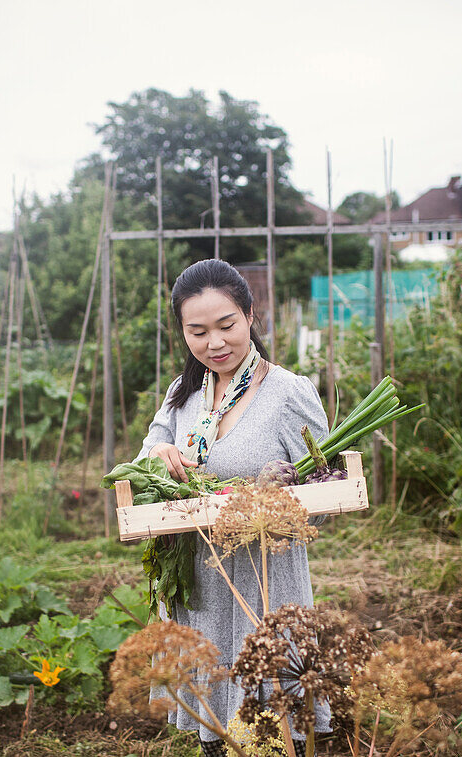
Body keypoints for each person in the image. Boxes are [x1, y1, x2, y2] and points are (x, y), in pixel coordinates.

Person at [137, 259, 329, 757]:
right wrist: (160, 454)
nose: (214, 344)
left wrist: (268, 497)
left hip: (262, 580)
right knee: (217, 734)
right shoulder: (182, 396)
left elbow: (323, 500)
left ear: (249, 315)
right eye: (197, 331)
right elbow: (143, 464)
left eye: (226, 326)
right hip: (199, 582)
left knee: (270, 728)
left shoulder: (289, 393)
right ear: (182, 332)